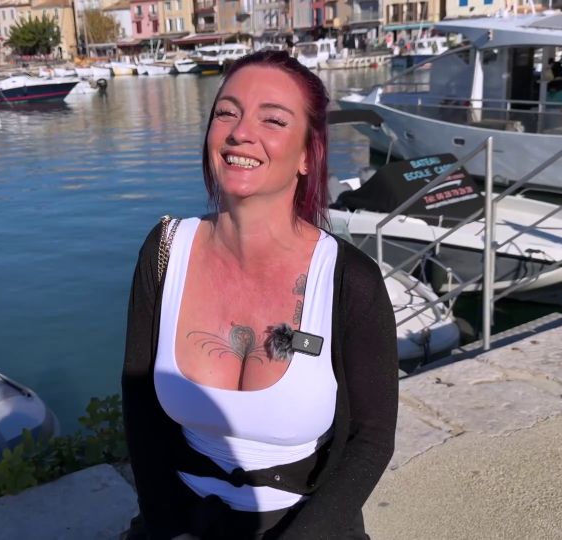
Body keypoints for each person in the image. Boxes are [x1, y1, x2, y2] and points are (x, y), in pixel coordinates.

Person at [122, 50, 399, 539]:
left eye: (272, 119)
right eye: (226, 112)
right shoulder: (164, 251)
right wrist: (169, 530)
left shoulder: (349, 280)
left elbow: (371, 439)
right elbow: (140, 405)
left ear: (308, 155)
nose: (240, 133)